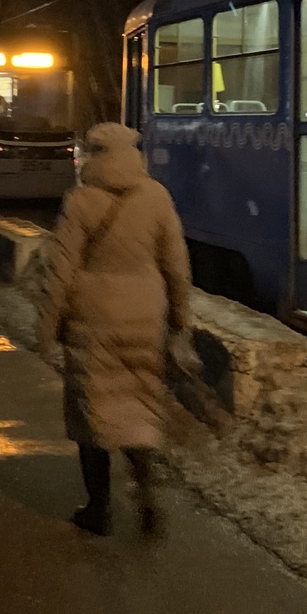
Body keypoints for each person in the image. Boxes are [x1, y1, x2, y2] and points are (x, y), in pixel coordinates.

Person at [39, 122, 190, 537]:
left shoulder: (81, 201)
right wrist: (181, 320)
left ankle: (99, 509)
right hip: (145, 315)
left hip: (93, 321)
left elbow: (60, 271)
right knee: (138, 405)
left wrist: (47, 330)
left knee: (92, 413)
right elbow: (177, 265)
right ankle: (146, 493)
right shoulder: (156, 196)